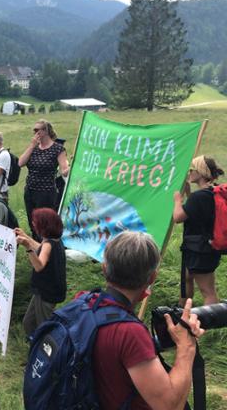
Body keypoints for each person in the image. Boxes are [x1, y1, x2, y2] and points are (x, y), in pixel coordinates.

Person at [89, 232, 205, 409]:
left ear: (105, 269)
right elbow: (170, 406)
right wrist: (186, 346)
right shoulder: (129, 333)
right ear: (152, 278)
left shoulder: (84, 303)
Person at [173, 155, 224, 305]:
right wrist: (189, 194)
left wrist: (178, 200)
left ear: (200, 172)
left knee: (208, 291)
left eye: (192, 170)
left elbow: (178, 217)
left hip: (200, 249)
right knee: (187, 278)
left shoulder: (199, 196)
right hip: (203, 245)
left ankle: (212, 322)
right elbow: (198, 212)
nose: (189, 173)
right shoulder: (212, 192)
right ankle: (183, 312)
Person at [15, 208, 66, 335]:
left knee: (44, 326)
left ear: (44, 225)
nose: (33, 223)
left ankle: (47, 349)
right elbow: (40, 248)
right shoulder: (53, 240)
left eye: (35, 222)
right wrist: (25, 236)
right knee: (28, 323)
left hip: (47, 293)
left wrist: (27, 247)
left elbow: (39, 266)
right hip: (44, 290)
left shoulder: (48, 244)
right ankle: (35, 343)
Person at [18, 119, 70, 240]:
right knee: (33, 224)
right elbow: (20, 163)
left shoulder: (57, 148)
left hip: (46, 192)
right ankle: (35, 250)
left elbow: (64, 169)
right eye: (34, 130)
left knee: (44, 225)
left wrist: (69, 169)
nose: (35, 133)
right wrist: (31, 146)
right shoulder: (34, 148)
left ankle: (46, 251)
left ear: (45, 131)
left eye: (37, 130)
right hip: (30, 190)